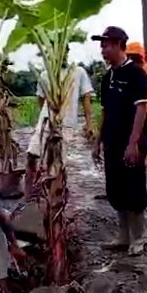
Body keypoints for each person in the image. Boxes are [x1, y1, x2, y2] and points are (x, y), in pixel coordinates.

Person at [91, 27, 147, 256]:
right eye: (101, 45)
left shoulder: (136, 73)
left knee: (134, 188)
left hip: (131, 143)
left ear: (118, 45)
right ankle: (123, 236)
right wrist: (98, 141)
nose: (102, 50)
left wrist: (133, 143)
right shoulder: (108, 77)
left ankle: (139, 237)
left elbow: (141, 109)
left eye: (105, 45)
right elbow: (105, 112)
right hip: (112, 142)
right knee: (115, 188)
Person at [25, 46, 94, 197]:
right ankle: (29, 193)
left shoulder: (78, 72)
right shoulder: (44, 75)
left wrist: (89, 123)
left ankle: (55, 197)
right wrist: (49, 114)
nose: (61, 55)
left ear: (67, 53)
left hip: (66, 124)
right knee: (32, 153)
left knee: (58, 163)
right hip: (45, 122)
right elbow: (40, 99)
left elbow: (86, 98)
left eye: (64, 52)